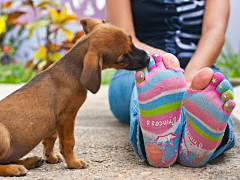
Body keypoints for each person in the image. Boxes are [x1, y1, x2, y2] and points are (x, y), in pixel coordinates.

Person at [105, 0, 236, 167]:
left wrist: (188, 77)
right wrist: (164, 68)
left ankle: (185, 145)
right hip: (138, 64)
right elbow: (124, 38)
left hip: (199, 68)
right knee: (150, 81)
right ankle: (189, 143)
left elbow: (215, 29)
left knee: (211, 89)